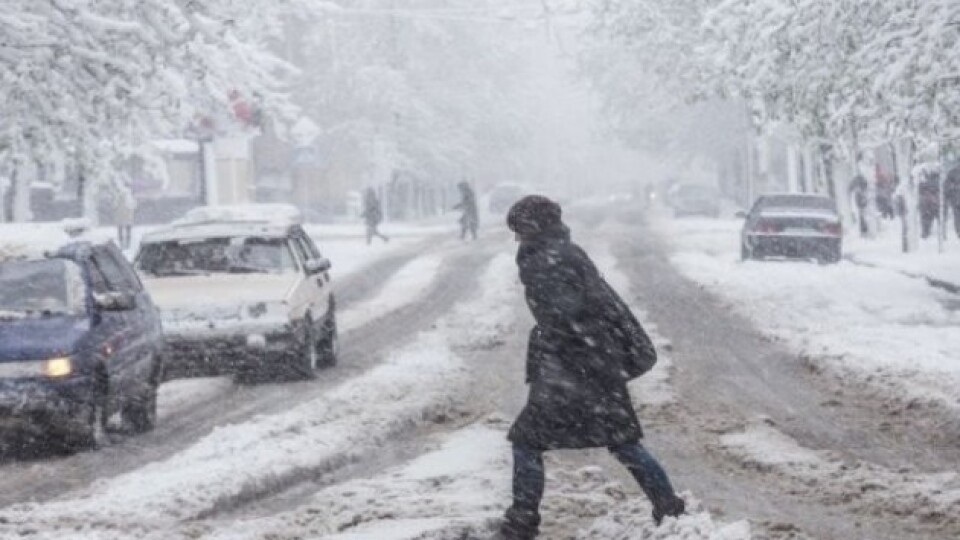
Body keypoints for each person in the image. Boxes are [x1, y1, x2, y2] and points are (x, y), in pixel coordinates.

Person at [498, 195, 685, 540]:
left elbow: (569, 314)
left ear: (534, 227)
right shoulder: (565, 252)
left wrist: (554, 343)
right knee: (623, 442)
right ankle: (669, 508)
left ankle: (522, 522)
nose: (516, 237)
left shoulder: (546, 260)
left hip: (570, 371)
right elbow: (588, 308)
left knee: (526, 442)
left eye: (519, 229)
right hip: (597, 366)